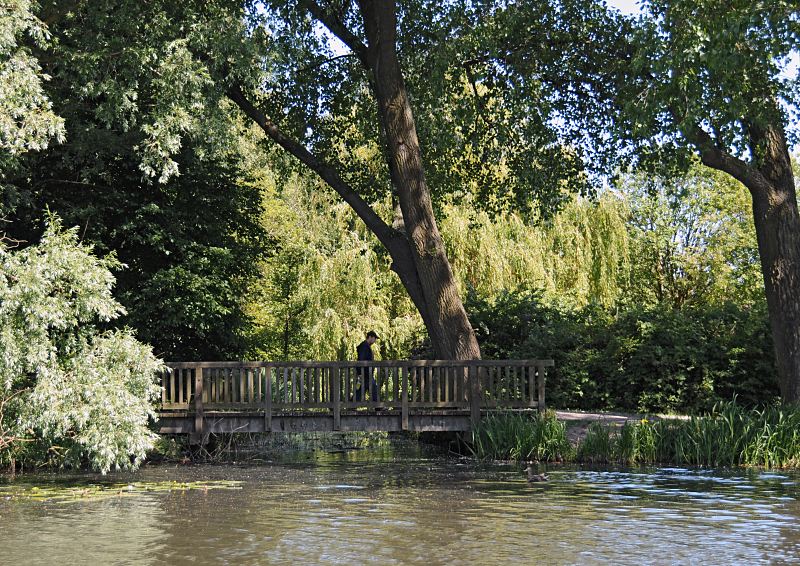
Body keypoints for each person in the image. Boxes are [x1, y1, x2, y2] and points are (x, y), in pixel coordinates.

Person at [355, 331, 379, 402]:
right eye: (375, 338)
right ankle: (378, 406)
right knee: (373, 388)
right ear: (370, 337)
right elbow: (361, 359)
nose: (375, 341)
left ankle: (352, 406)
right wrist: (361, 372)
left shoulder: (365, 346)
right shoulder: (364, 346)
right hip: (365, 373)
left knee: (360, 389)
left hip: (365, 373)